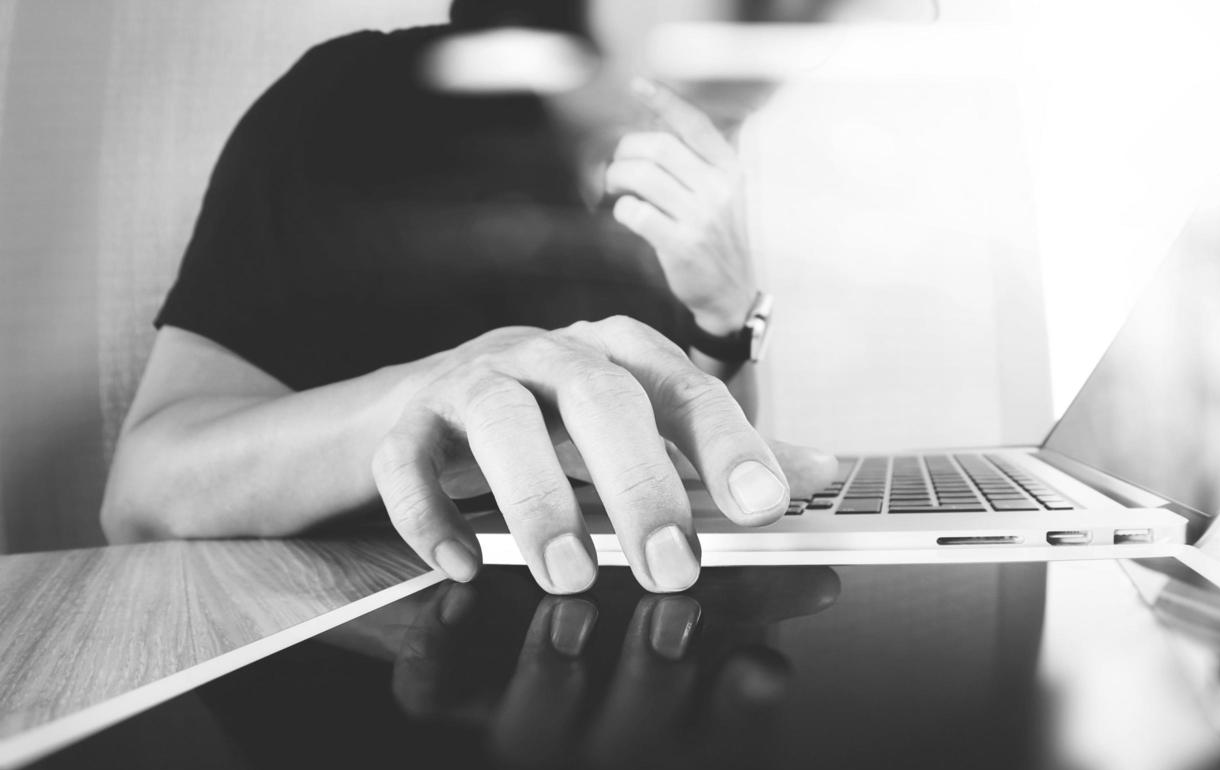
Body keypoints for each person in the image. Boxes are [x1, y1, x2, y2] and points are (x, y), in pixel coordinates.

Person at [101, 0, 836, 595]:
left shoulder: (676, 169)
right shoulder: (355, 99)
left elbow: (696, 455)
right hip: (359, 670)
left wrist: (727, 319)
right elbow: (144, 493)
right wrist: (439, 394)